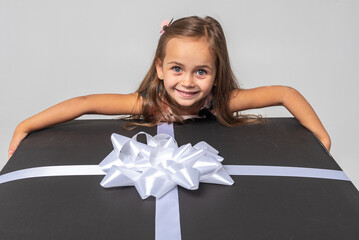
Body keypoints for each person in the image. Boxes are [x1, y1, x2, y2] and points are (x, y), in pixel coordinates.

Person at [8, 16, 331, 159]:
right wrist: (25, 126)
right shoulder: (150, 102)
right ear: (160, 69)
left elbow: (286, 93)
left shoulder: (222, 101)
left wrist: (321, 136)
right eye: (177, 69)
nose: (188, 82)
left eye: (201, 71)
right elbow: (85, 103)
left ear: (217, 74)